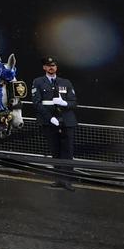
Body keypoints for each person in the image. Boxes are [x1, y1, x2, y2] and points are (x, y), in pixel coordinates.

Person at [31, 57, 78, 189]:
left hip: (67, 121)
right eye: (49, 65)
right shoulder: (38, 82)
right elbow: (37, 103)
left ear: (56, 67)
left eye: (54, 65)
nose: (51, 67)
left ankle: (67, 181)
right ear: (44, 68)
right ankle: (59, 179)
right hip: (49, 122)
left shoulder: (66, 82)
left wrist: (65, 103)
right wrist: (50, 118)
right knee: (55, 152)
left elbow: (74, 102)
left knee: (68, 152)